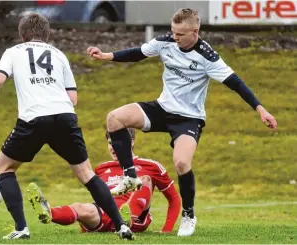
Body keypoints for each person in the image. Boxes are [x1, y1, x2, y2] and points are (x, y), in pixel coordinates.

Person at [86, 8, 277, 237]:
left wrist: (261, 109)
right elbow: (139, 52)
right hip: (162, 108)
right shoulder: (165, 41)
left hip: (189, 117)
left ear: (195, 32)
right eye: (173, 32)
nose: (175, 37)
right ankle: (130, 176)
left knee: (181, 164)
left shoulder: (208, 56)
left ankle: (188, 214)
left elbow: (236, 83)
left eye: (180, 34)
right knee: (114, 118)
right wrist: (108, 55)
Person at [0, 13, 133, 240]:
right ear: (47, 34)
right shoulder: (59, 54)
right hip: (65, 117)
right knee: (86, 173)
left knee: (5, 167)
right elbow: (73, 98)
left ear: (23, 35)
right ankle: (121, 226)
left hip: (33, 118)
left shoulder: (13, 52)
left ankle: (21, 228)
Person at [27, 128, 181, 233]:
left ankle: (126, 221)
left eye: (118, 142)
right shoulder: (102, 168)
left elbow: (174, 199)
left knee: (145, 180)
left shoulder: (151, 166)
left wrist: (166, 230)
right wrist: (85, 221)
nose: (113, 147)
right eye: (110, 142)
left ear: (132, 141)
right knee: (79, 206)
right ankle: (48, 212)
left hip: (136, 218)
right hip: (106, 213)